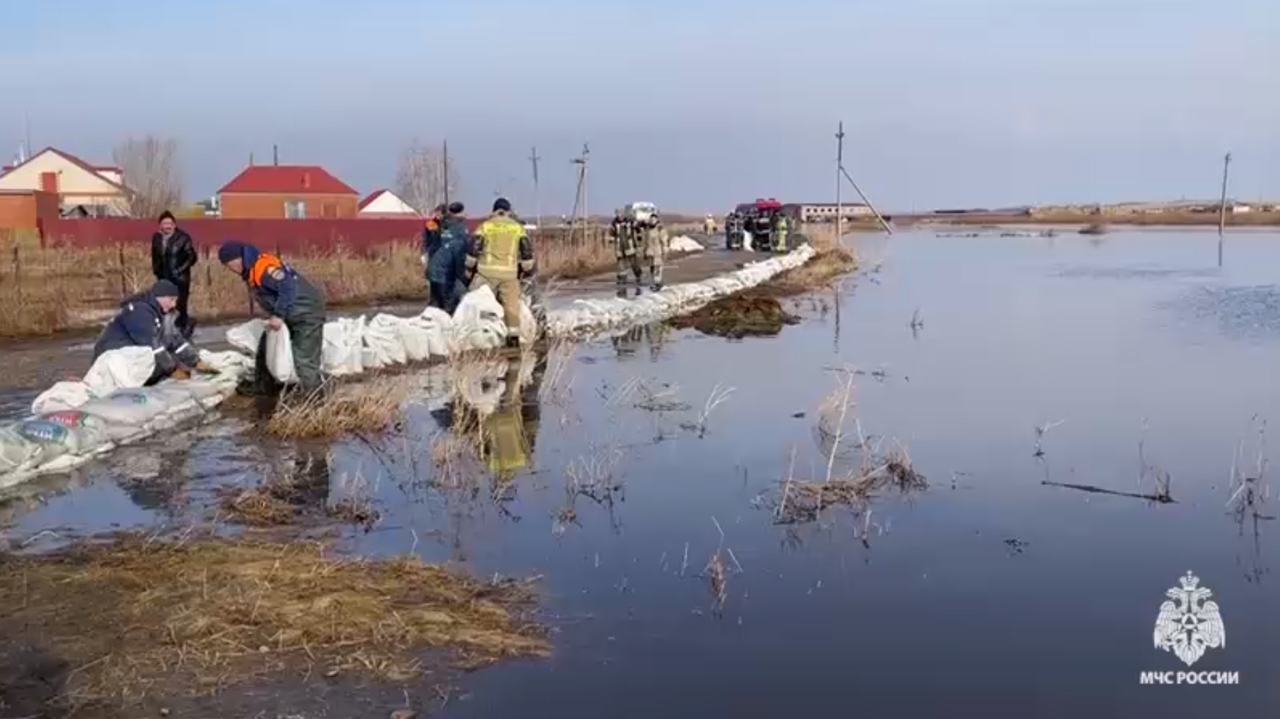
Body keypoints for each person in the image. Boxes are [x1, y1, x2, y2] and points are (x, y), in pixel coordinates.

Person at [217, 241, 327, 397]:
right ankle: (263, 387)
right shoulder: (252, 269)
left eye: (230, 264)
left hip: (306, 314)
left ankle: (315, 398)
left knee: (304, 358)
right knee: (265, 347)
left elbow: (287, 287)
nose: (231, 269)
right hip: (292, 312)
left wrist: (278, 315)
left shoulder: (264, 268)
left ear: (238, 258)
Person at [93, 279, 205, 385]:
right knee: (159, 361)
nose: (174, 305)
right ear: (159, 297)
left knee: (168, 359)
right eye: (171, 300)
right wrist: (172, 370)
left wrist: (196, 362)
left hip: (130, 356)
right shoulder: (139, 312)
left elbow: (173, 339)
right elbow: (152, 346)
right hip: (113, 359)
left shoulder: (160, 313)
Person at [464, 198, 534, 349]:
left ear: (494, 210)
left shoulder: (486, 226)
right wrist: (526, 268)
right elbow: (527, 251)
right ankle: (513, 338)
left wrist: (469, 267)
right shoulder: (517, 228)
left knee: (480, 305)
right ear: (508, 211)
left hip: (486, 274)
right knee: (511, 308)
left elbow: (473, 248)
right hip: (509, 275)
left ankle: (479, 339)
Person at [150, 211, 197, 337]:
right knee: (164, 305)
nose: (167, 226)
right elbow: (155, 256)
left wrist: (179, 270)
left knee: (179, 305)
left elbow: (191, 257)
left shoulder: (183, 238)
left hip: (179, 278)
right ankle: (168, 330)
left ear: (174, 225)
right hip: (163, 277)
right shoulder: (157, 238)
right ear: (160, 225)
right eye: (164, 223)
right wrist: (156, 270)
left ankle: (183, 329)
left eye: (170, 223)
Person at [427, 202, 469, 314]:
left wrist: (439, 219)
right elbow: (459, 255)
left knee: (434, 306)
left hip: (434, 271)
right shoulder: (460, 229)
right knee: (446, 307)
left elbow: (429, 228)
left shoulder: (441, 225)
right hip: (446, 273)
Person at [609, 208, 642, 295]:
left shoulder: (629, 222)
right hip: (620, 246)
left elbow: (638, 228)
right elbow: (612, 233)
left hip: (629, 245)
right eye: (618, 214)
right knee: (621, 263)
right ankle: (623, 278)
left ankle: (638, 274)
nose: (619, 216)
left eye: (621, 214)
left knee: (633, 262)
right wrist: (611, 241)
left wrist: (639, 237)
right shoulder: (614, 223)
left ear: (623, 214)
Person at [640, 214, 669, 291]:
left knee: (658, 267)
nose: (652, 221)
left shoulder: (660, 228)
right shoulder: (648, 229)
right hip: (650, 251)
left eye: (654, 219)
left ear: (656, 220)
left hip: (658, 251)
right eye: (651, 219)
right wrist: (644, 251)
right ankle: (654, 282)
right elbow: (646, 241)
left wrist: (665, 249)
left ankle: (658, 282)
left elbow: (664, 240)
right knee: (652, 268)